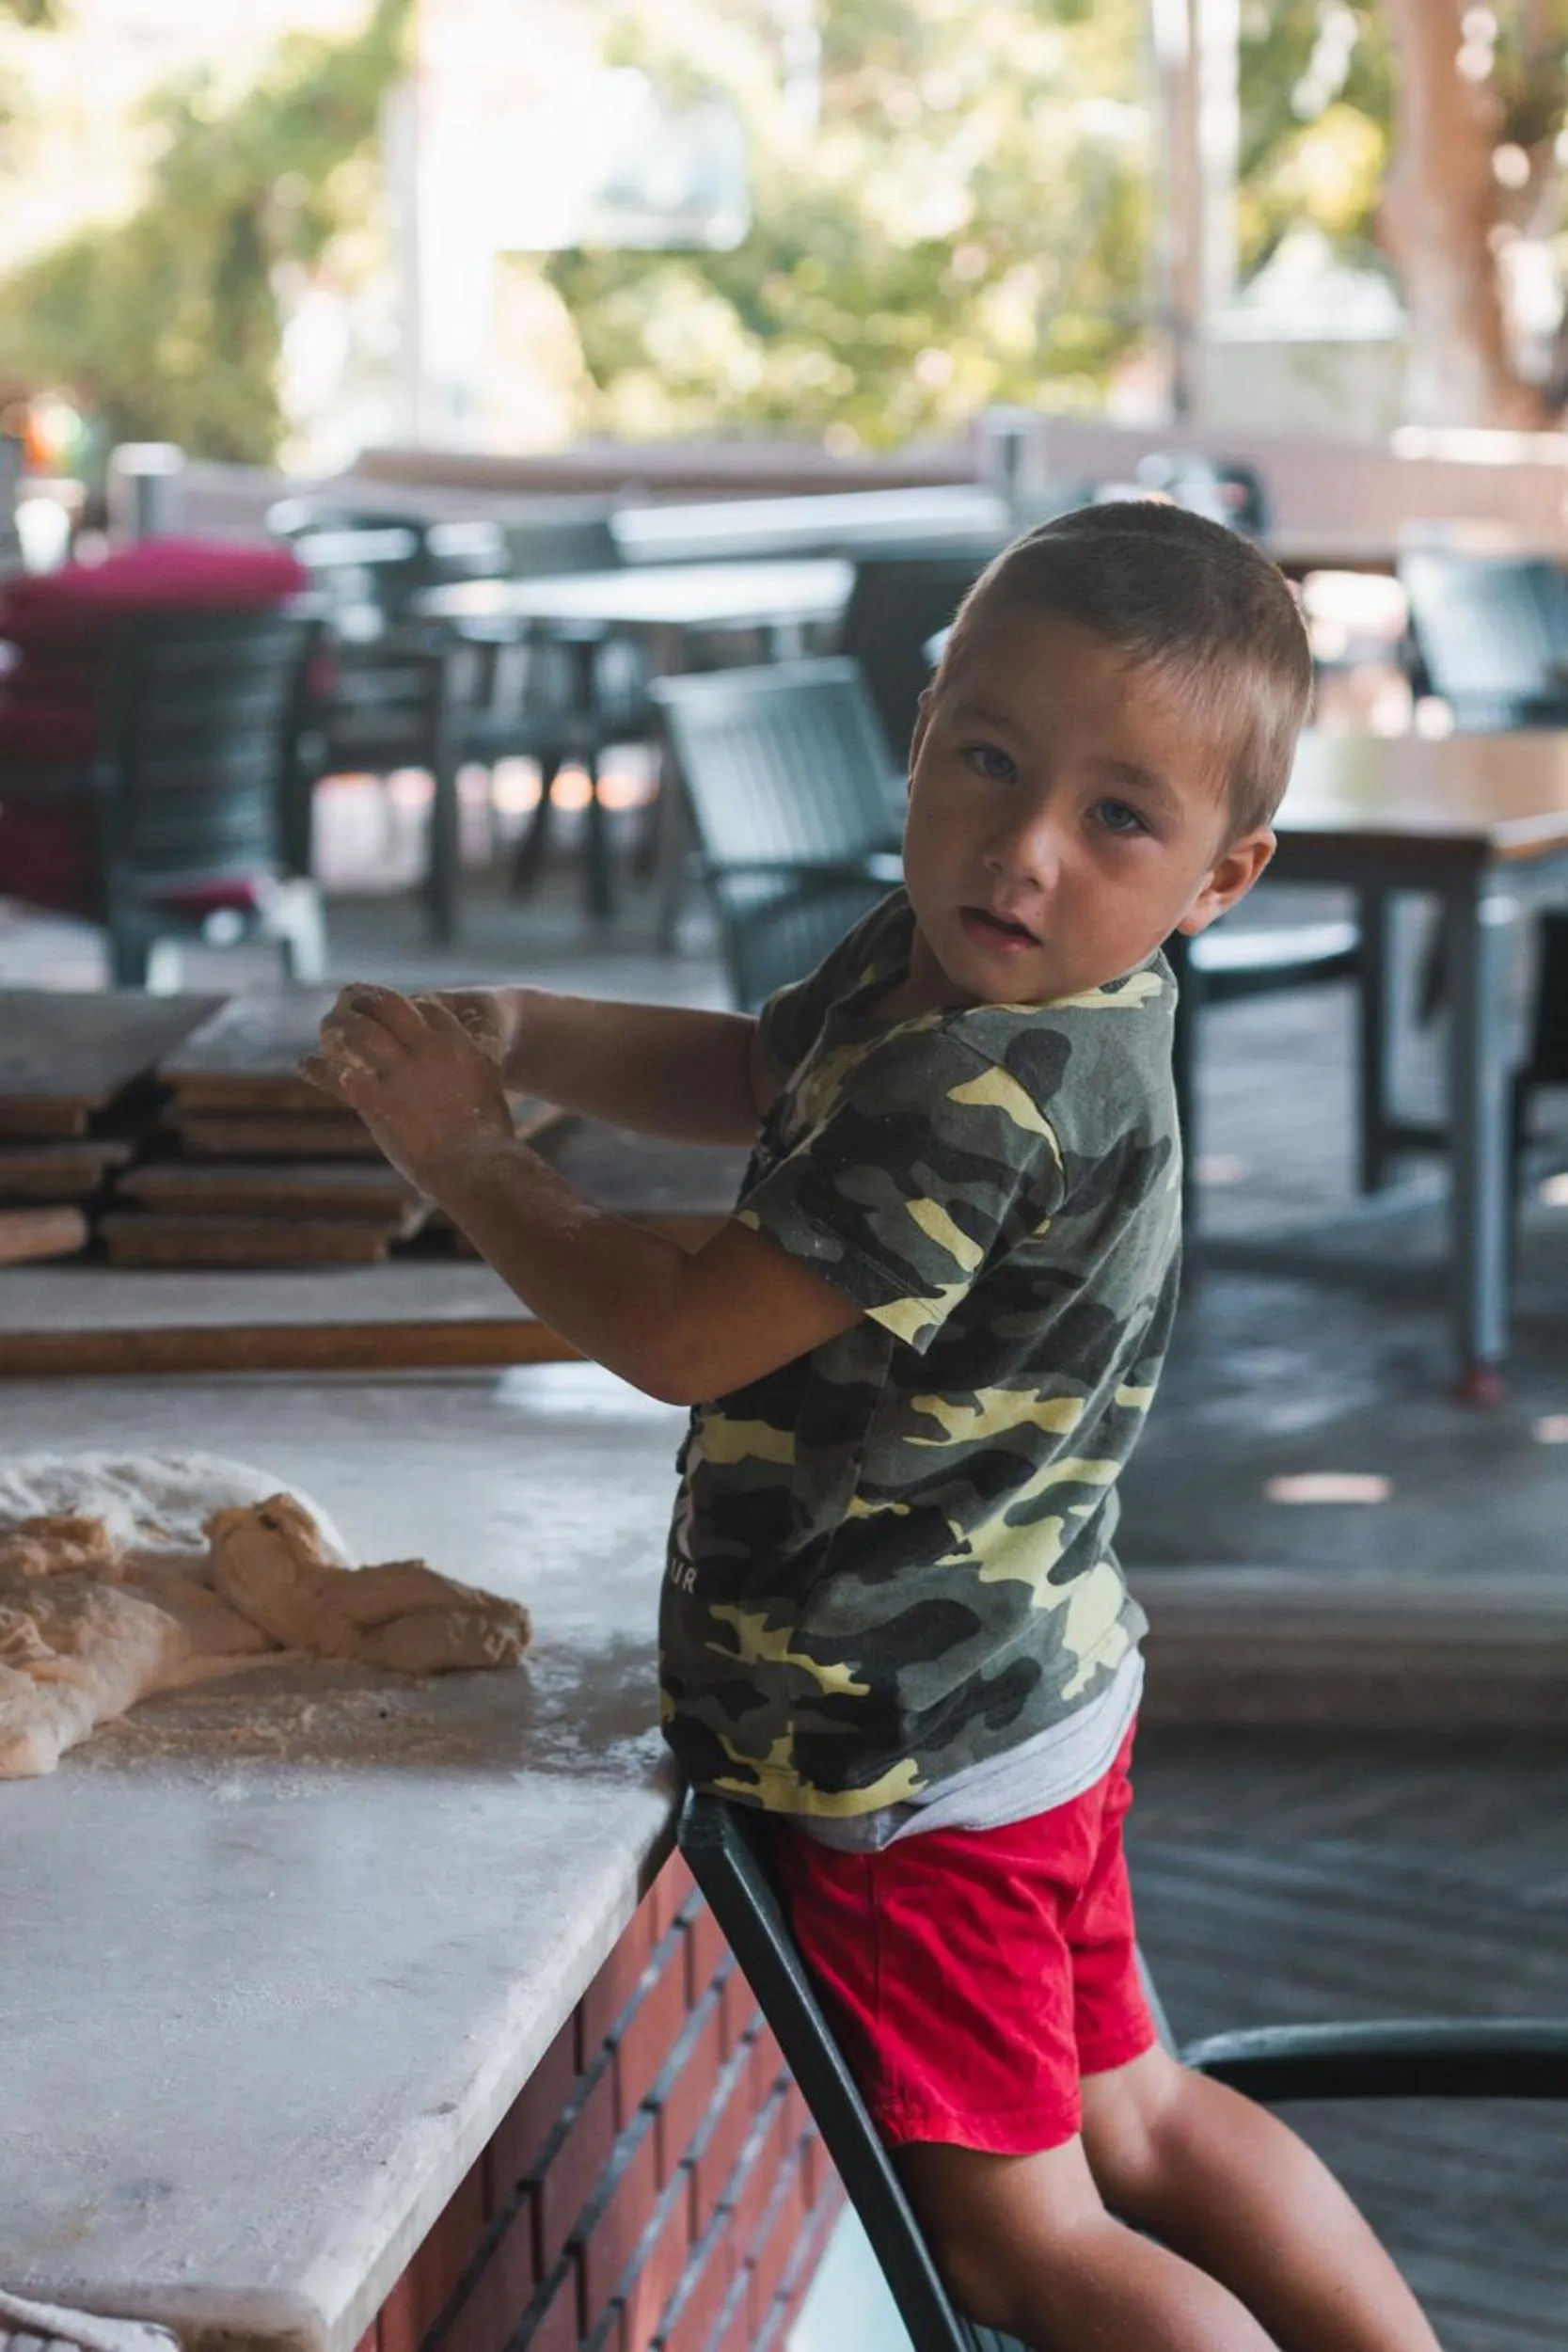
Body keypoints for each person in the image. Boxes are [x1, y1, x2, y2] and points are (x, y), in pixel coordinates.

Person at [305, 502, 1441, 2352]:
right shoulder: (988, 973)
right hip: (1038, 1699)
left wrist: (463, 1152)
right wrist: (518, 1024)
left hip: (910, 1773)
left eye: (1114, 817)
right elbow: (756, 1068)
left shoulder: (975, 1090)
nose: (1020, 849)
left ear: (1221, 875)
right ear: (914, 729)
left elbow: (683, 1332)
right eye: (986, 761)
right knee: (1138, 2113)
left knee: (1032, 2246)